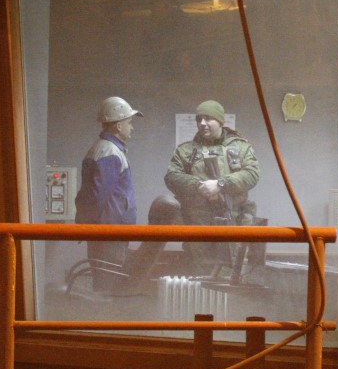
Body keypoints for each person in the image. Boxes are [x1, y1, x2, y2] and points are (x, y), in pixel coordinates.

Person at [164, 100, 260, 277]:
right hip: (198, 226)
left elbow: (252, 174)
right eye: (199, 119)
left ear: (221, 122)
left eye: (208, 118)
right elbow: (171, 177)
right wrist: (198, 186)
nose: (202, 123)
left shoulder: (240, 147)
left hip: (233, 222)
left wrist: (221, 185)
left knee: (232, 274)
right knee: (199, 275)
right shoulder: (185, 151)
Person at [74, 96, 143, 290]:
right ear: (118, 126)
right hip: (109, 232)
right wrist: (88, 227)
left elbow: (91, 196)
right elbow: (98, 197)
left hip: (107, 231)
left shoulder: (104, 149)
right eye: (129, 122)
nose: (132, 127)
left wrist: (85, 225)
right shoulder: (110, 152)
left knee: (105, 281)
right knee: (107, 286)